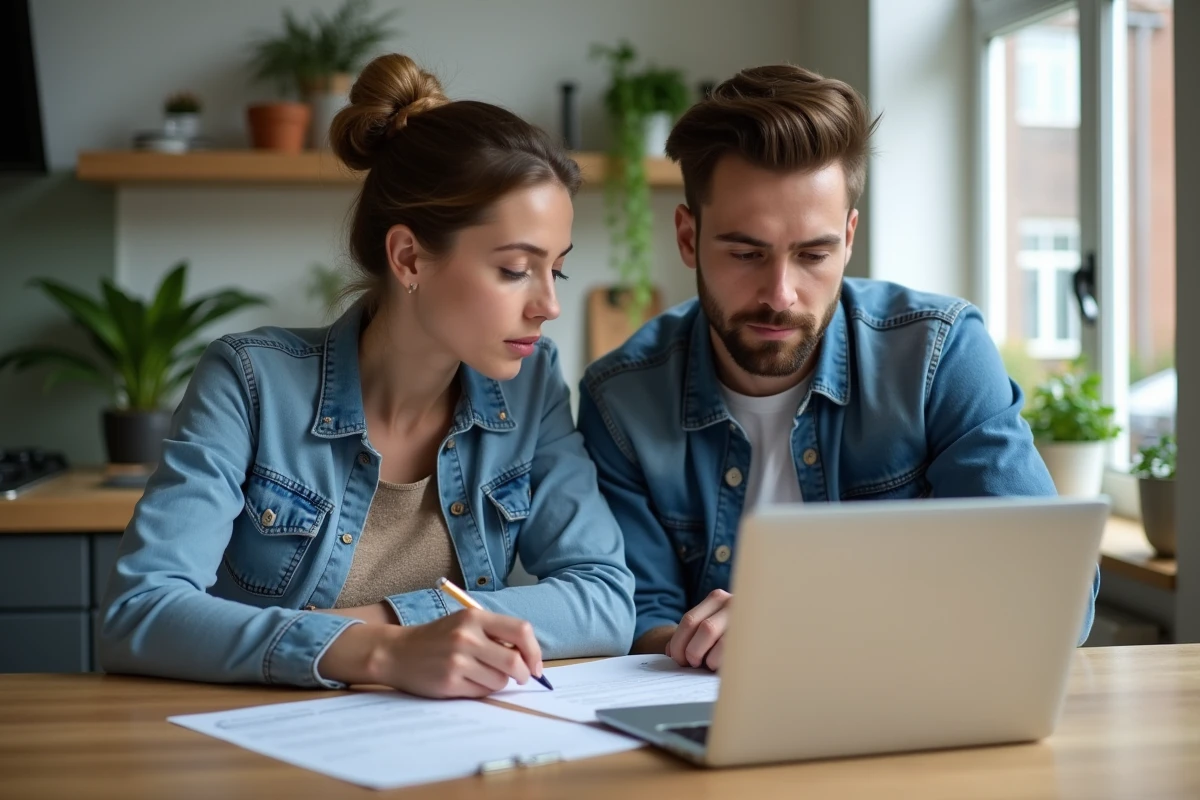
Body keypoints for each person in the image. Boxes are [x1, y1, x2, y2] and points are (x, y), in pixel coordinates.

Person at [99, 54, 635, 697]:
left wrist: (396, 625)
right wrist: (383, 652)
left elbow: (605, 602)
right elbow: (140, 613)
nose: (549, 304)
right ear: (409, 256)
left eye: (559, 270)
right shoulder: (250, 382)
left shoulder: (531, 384)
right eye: (516, 268)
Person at [577, 64, 1098, 672]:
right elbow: (634, 617)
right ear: (688, 238)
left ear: (849, 239)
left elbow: (1057, 598)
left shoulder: (939, 355)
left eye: (814, 254)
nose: (781, 294)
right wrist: (695, 642)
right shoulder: (621, 398)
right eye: (746, 253)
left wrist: (799, 621)